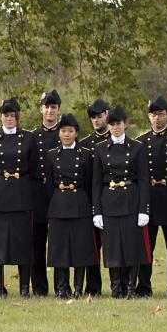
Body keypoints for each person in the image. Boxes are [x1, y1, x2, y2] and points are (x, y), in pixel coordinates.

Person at [91, 106, 150, 298]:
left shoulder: (137, 148)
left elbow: (143, 180)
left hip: (131, 201)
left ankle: (130, 287)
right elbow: (96, 182)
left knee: (131, 246)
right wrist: (96, 211)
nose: (116, 128)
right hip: (109, 202)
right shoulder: (100, 149)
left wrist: (144, 209)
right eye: (113, 124)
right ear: (108, 126)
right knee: (113, 247)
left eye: (119, 124)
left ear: (126, 124)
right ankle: (116, 287)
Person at [0, 98, 36, 297]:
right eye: (6, 115)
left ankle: (24, 287)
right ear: (1, 116)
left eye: (13, 116)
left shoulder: (29, 138)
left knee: (23, 244)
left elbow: (34, 169)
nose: (9, 119)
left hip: (20, 194)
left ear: (17, 117)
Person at [44, 114, 97, 299]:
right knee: (59, 249)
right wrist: (51, 207)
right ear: (59, 133)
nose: (66, 134)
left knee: (80, 249)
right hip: (58, 204)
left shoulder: (86, 154)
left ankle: (78, 288)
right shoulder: (51, 155)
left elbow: (90, 184)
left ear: (76, 133)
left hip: (79, 204)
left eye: (70, 131)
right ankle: (61, 288)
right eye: (63, 131)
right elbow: (49, 186)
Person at [137, 96, 167, 296]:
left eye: (161, 114)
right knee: (146, 248)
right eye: (153, 115)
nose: (157, 119)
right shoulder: (140, 143)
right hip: (149, 201)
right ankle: (144, 286)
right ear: (149, 117)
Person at [29, 89, 62, 297]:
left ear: (58, 109)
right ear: (41, 109)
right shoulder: (32, 136)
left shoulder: (66, 133)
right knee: (37, 244)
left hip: (59, 194)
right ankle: (39, 287)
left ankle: (61, 286)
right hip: (38, 194)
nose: (50, 111)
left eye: (53, 107)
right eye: (46, 107)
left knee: (59, 244)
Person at [76, 98, 110, 296]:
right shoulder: (85, 144)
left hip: (113, 202)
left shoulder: (115, 140)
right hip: (90, 203)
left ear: (107, 114)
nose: (96, 121)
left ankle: (119, 285)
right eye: (93, 118)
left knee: (114, 248)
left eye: (99, 116)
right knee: (92, 249)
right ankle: (93, 287)